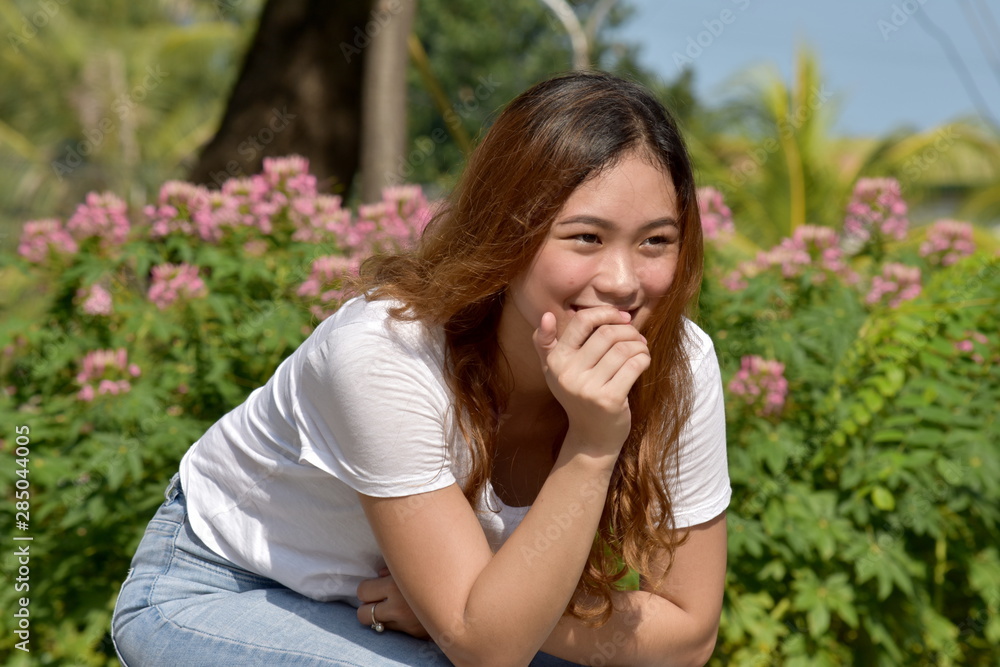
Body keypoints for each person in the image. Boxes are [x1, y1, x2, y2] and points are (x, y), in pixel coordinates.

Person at [111, 70, 730, 667]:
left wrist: (471, 615)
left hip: (437, 613)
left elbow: (687, 636)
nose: (623, 283)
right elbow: (488, 650)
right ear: (505, 233)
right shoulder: (385, 351)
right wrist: (593, 446)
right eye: (585, 238)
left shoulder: (679, 362)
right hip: (223, 589)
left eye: (655, 242)